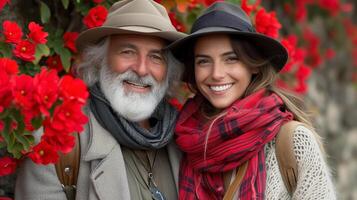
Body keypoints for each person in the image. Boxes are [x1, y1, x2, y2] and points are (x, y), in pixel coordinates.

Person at [15, 0, 186, 199]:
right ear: (100, 59)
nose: (141, 69)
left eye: (156, 57)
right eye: (127, 52)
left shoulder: (183, 140)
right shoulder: (58, 145)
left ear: (168, 71)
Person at [168, 2, 336, 200]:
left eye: (231, 59)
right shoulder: (184, 139)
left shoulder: (293, 142)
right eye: (203, 61)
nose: (216, 74)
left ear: (254, 65)